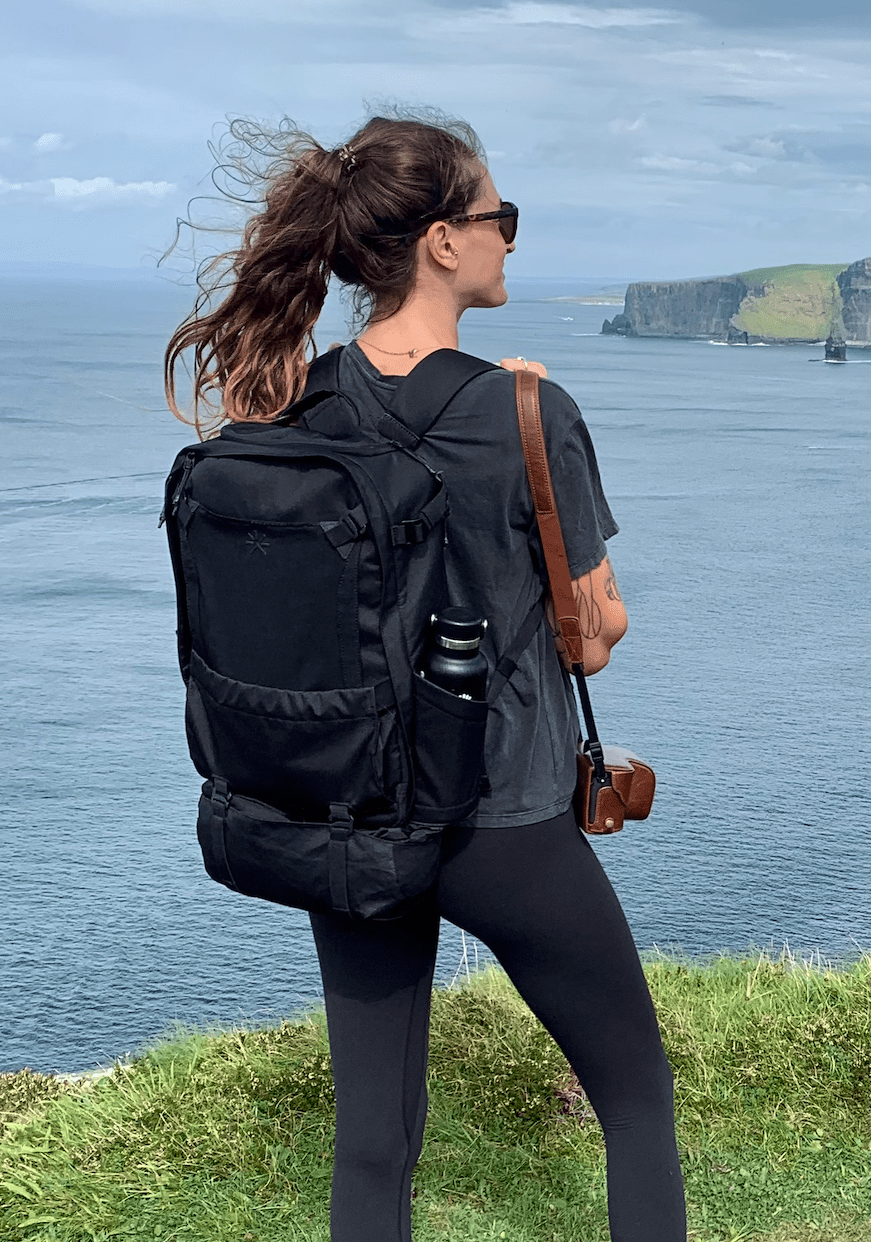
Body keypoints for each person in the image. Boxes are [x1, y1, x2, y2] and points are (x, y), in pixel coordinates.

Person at [163, 111, 687, 1242]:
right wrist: (529, 430)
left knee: (373, 1143)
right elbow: (593, 635)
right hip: (504, 823)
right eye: (499, 216)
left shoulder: (298, 400)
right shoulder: (527, 410)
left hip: (347, 811)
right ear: (443, 241)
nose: (509, 237)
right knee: (637, 1101)